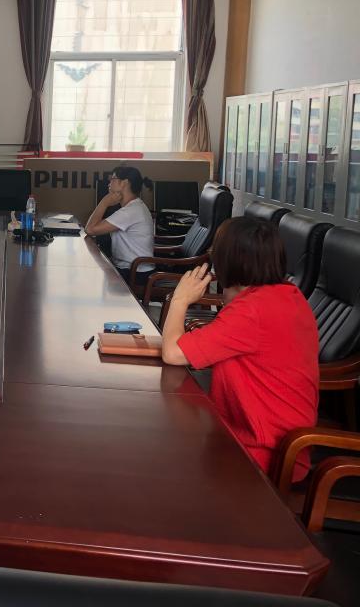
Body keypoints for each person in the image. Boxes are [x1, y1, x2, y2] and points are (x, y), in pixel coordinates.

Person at [161, 217, 319, 482]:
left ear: (228, 260)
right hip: (264, 439)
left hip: (263, 453)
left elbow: (172, 353)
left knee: (165, 455)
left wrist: (180, 299)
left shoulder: (252, 311)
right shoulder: (286, 295)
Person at [84, 166, 155, 285]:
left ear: (124, 183)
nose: (109, 183)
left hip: (135, 273)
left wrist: (104, 202)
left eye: (113, 179)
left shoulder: (131, 211)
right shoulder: (134, 207)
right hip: (131, 269)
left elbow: (90, 229)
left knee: (90, 277)